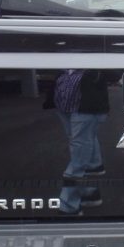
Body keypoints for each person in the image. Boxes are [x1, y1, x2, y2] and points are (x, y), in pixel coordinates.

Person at [53, 69, 109, 215]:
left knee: (79, 152)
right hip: (63, 107)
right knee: (80, 144)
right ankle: (89, 192)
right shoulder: (62, 60)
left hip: (86, 109)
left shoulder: (95, 59)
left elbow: (113, 73)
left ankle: (68, 204)